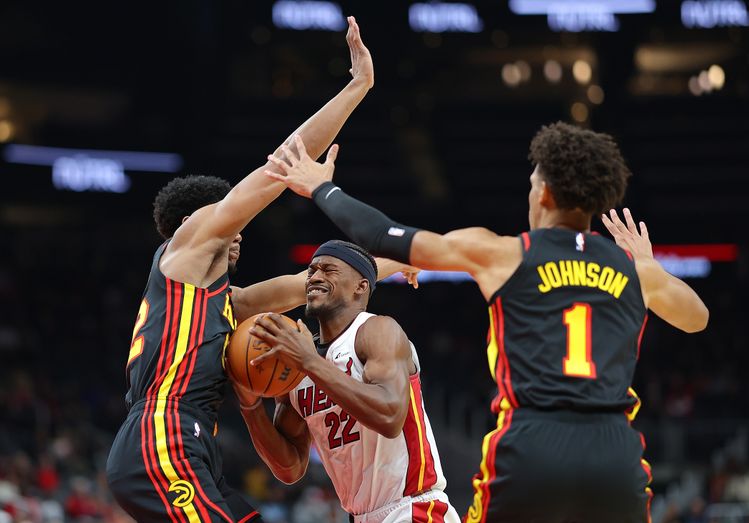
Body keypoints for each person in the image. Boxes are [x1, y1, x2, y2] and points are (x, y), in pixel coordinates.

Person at [261, 123, 710, 523]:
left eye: (533, 181)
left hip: (533, 442)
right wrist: (650, 266)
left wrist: (323, 188)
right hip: (615, 451)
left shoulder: (503, 253)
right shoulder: (633, 270)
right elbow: (696, 319)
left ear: (544, 193)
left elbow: (384, 236)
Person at [105, 17, 376, 523]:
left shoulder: (220, 302)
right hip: (163, 435)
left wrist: (401, 259)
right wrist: (358, 86)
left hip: (185, 445)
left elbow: (320, 280)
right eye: (230, 222)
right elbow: (280, 166)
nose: (240, 234)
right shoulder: (186, 246)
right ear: (194, 222)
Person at [233, 240, 460, 523]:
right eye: (311, 271)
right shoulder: (297, 364)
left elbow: (389, 416)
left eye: (329, 270)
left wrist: (310, 362)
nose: (315, 277)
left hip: (413, 509)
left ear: (361, 287)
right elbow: (289, 469)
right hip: (358, 516)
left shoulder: (376, 330)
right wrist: (250, 405)